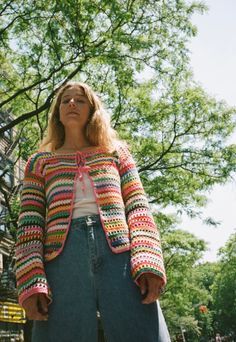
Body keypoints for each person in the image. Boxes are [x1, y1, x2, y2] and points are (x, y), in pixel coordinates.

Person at [15, 81, 170, 342]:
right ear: (57, 112)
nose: (72, 104)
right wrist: (30, 278)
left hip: (121, 257)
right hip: (61, 261)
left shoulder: (116, 153)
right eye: (65, 101)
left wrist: (149, 261)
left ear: (93, 110)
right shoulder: (39, 163)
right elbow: (30, 223)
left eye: (80, 100)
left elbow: (138, 205)